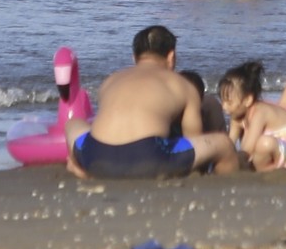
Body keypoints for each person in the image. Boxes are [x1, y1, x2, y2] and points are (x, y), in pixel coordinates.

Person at [65, 26, 238, 179]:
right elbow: (192, 139)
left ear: (134, 58)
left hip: (95, 156)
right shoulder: (182, 85)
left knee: (73, 124)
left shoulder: (111, 80)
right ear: (171, 56)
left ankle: (79, 167)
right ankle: (223, 186)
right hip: (147, 158)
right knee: (223, 144)